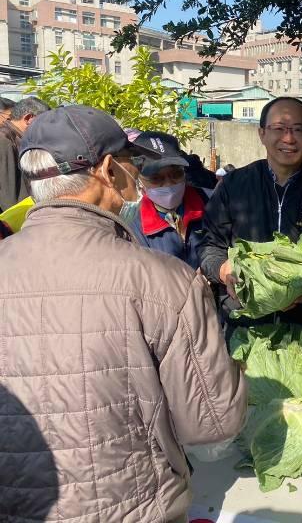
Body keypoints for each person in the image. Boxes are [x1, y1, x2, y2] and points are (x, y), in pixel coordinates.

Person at [0, 105, 246, 522]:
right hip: (135, 505)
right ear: (109, 170)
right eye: (133, 162)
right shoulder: (162, 280)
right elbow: (212, 425)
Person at [200, 97, 302, 337]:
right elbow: (209, 246)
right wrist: (223, 270)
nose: (288, 138)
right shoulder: (234, 185)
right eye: (278, 128)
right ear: (261, 133)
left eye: (298, 129)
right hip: (243, 328)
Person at [129, 131, 210, 269]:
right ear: (139, 180)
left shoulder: (212, 202)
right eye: (156, 178)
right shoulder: (132, 224)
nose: (168, 184)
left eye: (176, 174)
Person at [0, 97, 49, 210]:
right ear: (29, 118)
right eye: (42, 123)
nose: (43, 129)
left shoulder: (17, 139)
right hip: (16, 218)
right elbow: (9, 193)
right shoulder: (4, 140)